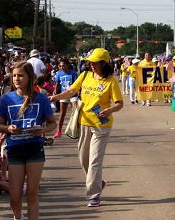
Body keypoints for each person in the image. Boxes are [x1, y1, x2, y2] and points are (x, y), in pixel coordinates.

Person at [49, 48, 123, 207]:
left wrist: (110, 110)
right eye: (90, 62)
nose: (91, 65)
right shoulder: (85, 75)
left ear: (103, 63)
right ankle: (98, 182)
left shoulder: (111, 81)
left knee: (95, 160)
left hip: (101, 126)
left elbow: (119, 103)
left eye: (95, 62)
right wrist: (55, 97)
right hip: (84, 122)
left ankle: (94, 195)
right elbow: (71, 91)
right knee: (83, 158)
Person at [0, 62, 57, 220]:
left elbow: (53, 123)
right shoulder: (6, 99)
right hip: (15, 150)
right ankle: (18, 217)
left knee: (31, 193)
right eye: (14, 75)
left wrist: (42, 130)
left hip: (34, 149)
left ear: (30, 78)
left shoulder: (41, 98)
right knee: (15, 196)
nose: (16, 78)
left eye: (21, 75)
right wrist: (8, 128)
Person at [53, 59, 79, 138]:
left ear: (67, 65)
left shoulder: (73, 73)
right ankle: (59, 131)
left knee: (75, 112)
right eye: (60, 66)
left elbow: (76, 84)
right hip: (63, 94)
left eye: (63, 65)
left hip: (73, 94)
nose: (62, 67)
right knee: (62, 114)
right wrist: (55, 91)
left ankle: (75, 130)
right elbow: (57, 84)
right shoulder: (59, 74)